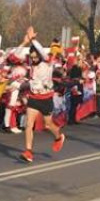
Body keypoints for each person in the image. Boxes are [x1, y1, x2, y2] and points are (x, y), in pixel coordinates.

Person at [18, 28, 66, 163]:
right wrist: (24, 42)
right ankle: (28, 152)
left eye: (35, 57)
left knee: (48, 124)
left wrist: (33, 39)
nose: (33, 59)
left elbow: (42, 51)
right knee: (29, 125)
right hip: (34, 97)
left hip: (46, 98)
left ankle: (59, 137)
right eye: (32, 57)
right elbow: (14, 56)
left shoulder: (47, 62)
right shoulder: (31, 64)